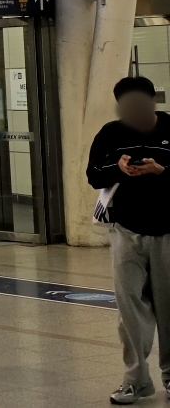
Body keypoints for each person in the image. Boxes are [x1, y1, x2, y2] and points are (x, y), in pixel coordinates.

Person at [87, 76, 170, 405]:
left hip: (168, 229)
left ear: (153, 101)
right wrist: (118, 168)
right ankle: (135, 380)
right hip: (126, 229)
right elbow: (94, 174)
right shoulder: (111, 133)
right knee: (129, 309)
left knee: (169, 306)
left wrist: (163, 171)